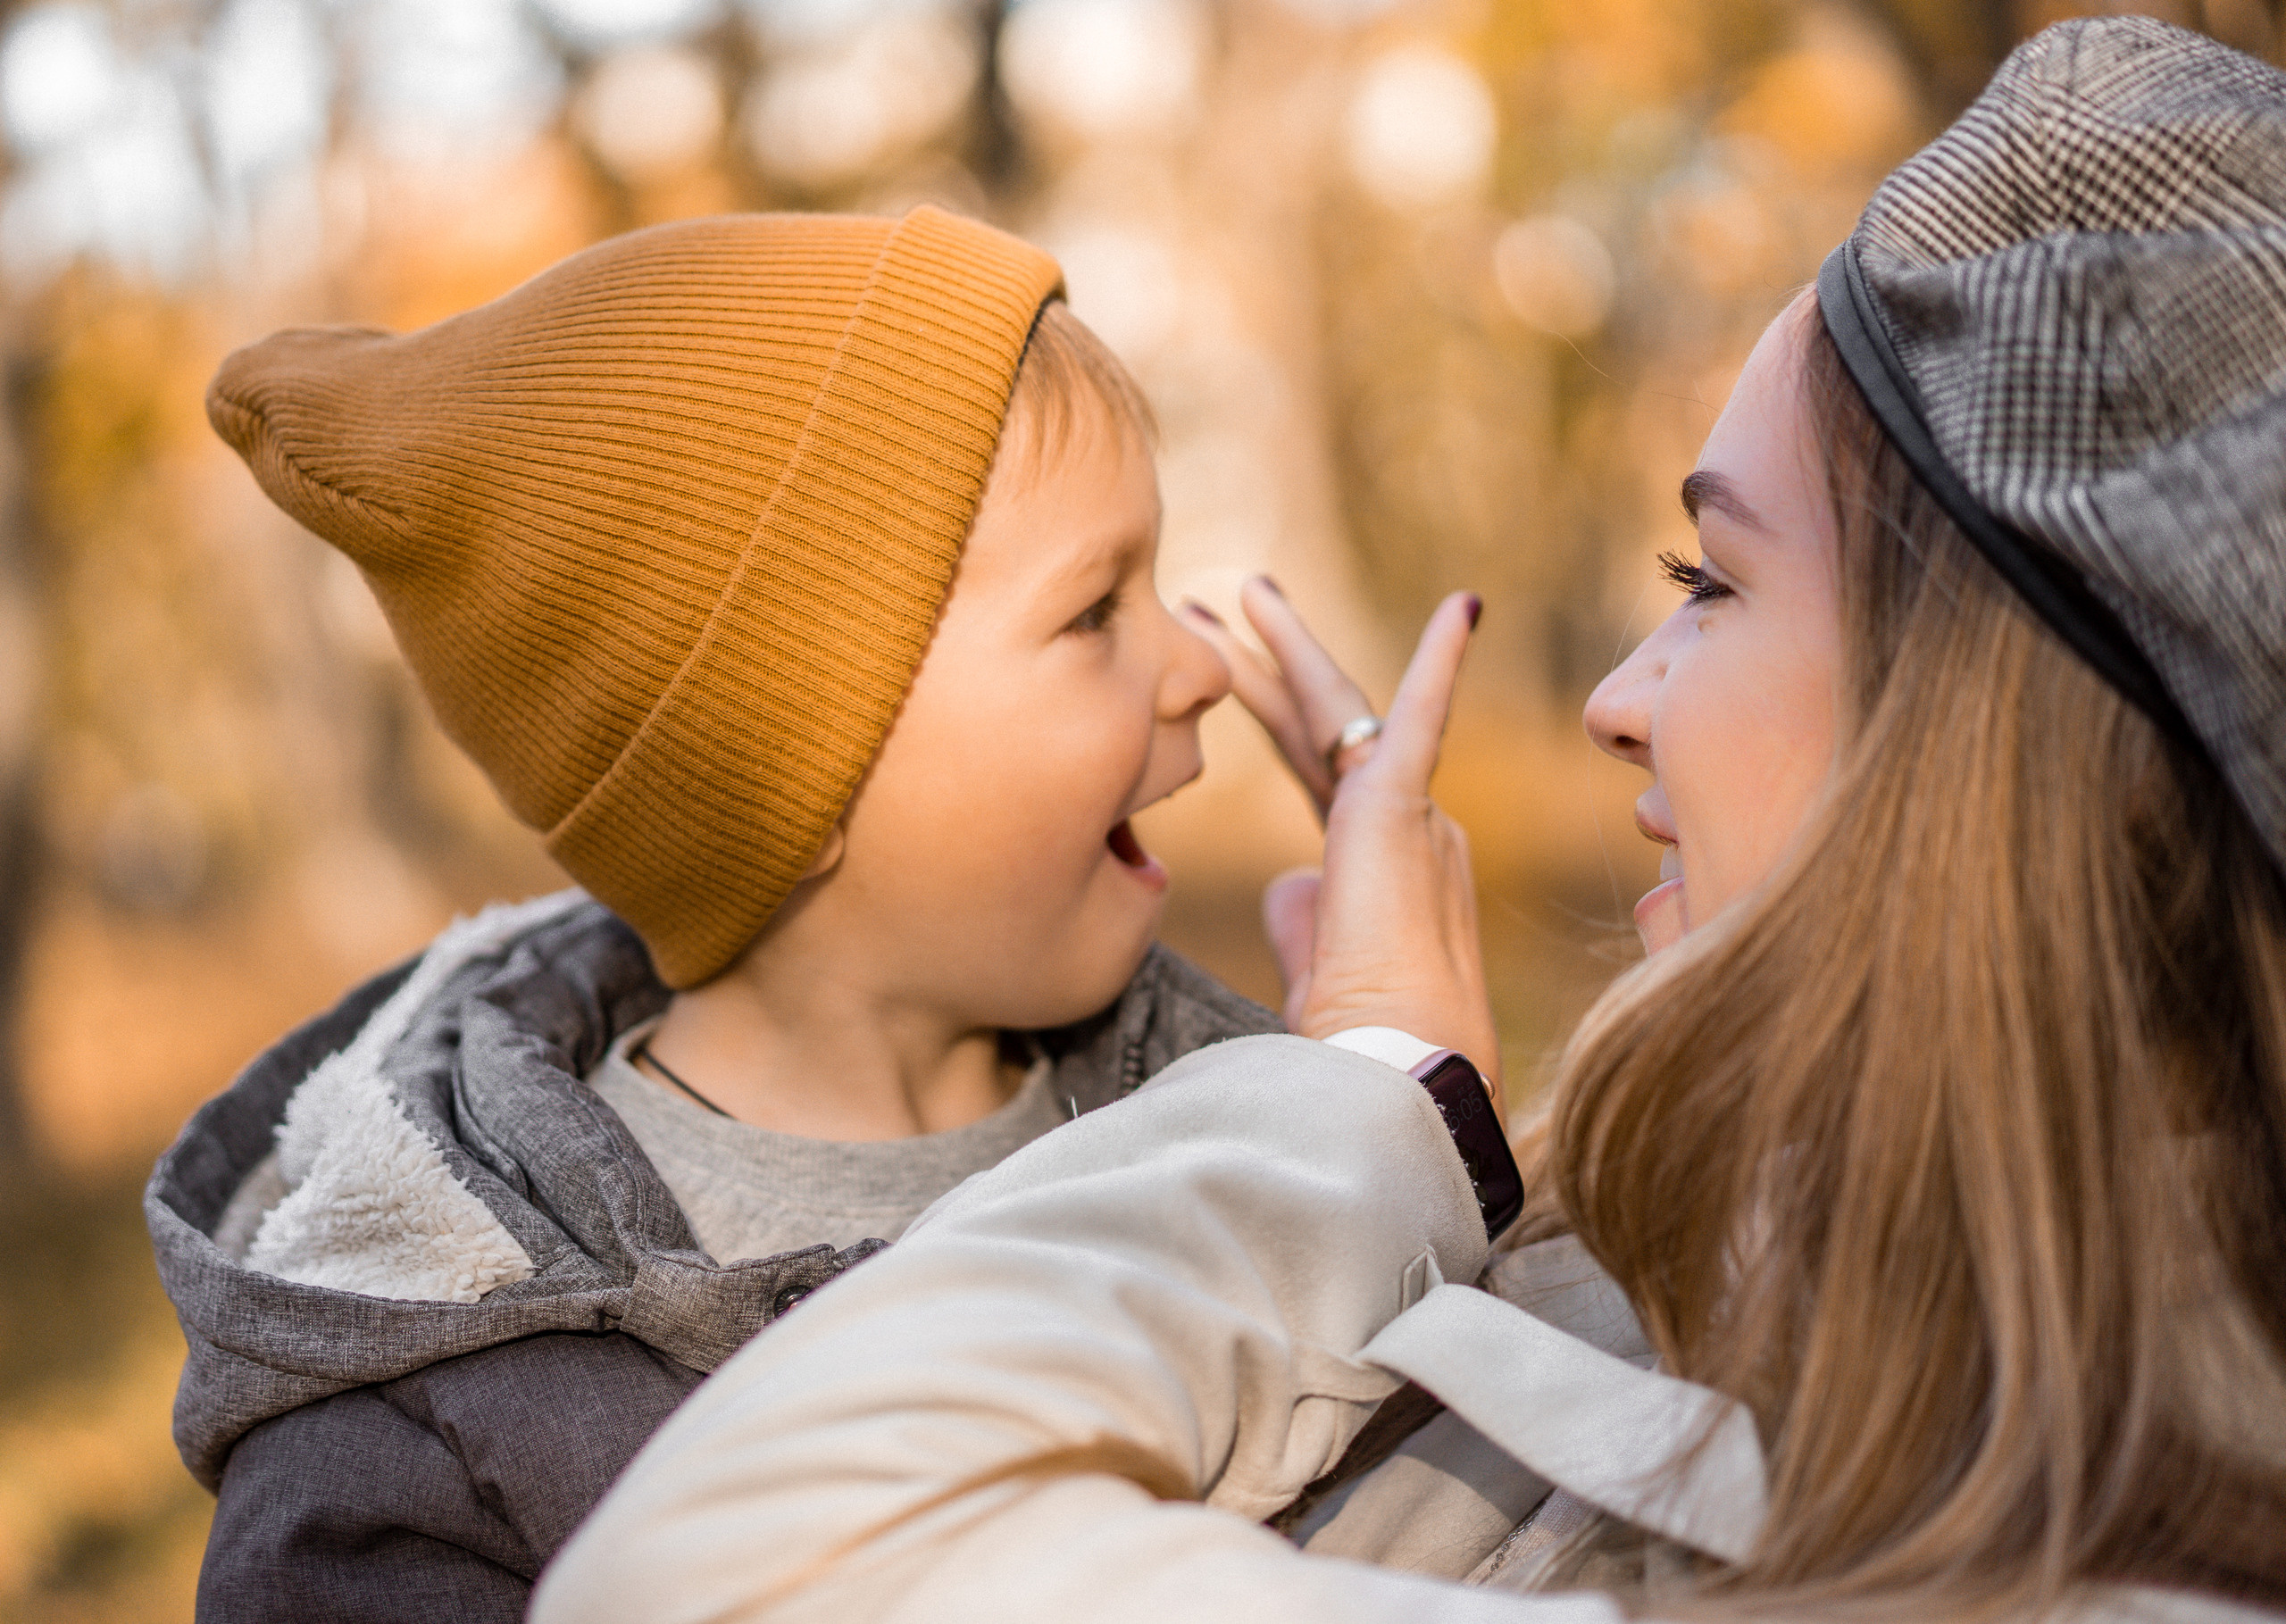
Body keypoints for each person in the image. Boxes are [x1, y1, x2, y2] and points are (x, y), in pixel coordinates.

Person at [530, 19, 2286, 1624]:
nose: (1614, 692)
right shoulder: (1778, 1300)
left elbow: (723, 1566)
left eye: (1710, 578)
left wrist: (1371, 1093)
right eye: (1084, 614)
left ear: (1974, 730)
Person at [143, 206, 1278, 1622]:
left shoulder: (1218, 1116)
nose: (1207, 663)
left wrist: (1394, 1097)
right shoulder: (420, 1444)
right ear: (791, 776)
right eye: (1094, 612)